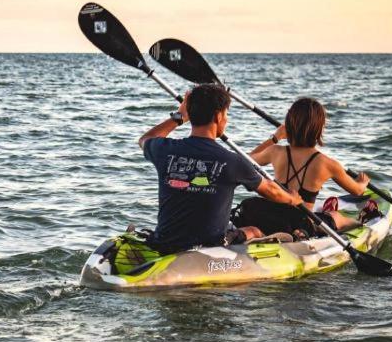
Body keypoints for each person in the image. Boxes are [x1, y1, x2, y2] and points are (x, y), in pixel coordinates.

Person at [139, 83, 304, 253]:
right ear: (218, 117)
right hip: (210, 248)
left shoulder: (165, 150)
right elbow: (271, 190)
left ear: (191, 114)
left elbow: (145, 139)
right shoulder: (233, 161)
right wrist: (292, 199)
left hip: (163, 242)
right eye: (226, 114)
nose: (226, 120)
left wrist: (179, 116)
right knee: (253, 231)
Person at [239, 96, 376, 237]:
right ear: (319, 129)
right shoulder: (327, 163)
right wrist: (362, 182)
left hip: (272, 216)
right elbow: (357, 191)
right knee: (336, 216)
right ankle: (361, 222)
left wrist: (275, 138)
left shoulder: (275, 151)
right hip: (300, 222)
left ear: (289, 124)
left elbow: (244, 159)